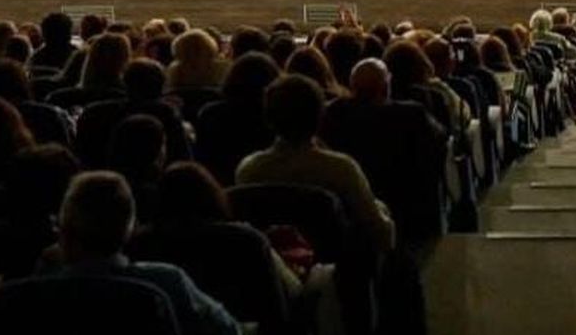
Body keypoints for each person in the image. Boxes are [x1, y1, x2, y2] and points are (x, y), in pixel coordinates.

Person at [44, 171, 240, 335]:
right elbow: (227, 329)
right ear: (129, 228)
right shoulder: (167, 281)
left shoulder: (38, 289)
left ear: (64, 228)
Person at [236, 75, 395, 259]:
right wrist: (382, 210)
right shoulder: (341, 169)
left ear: (269, 118)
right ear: (320, 116)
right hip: (336, 267)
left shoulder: (248, 170)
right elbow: (382, 235)